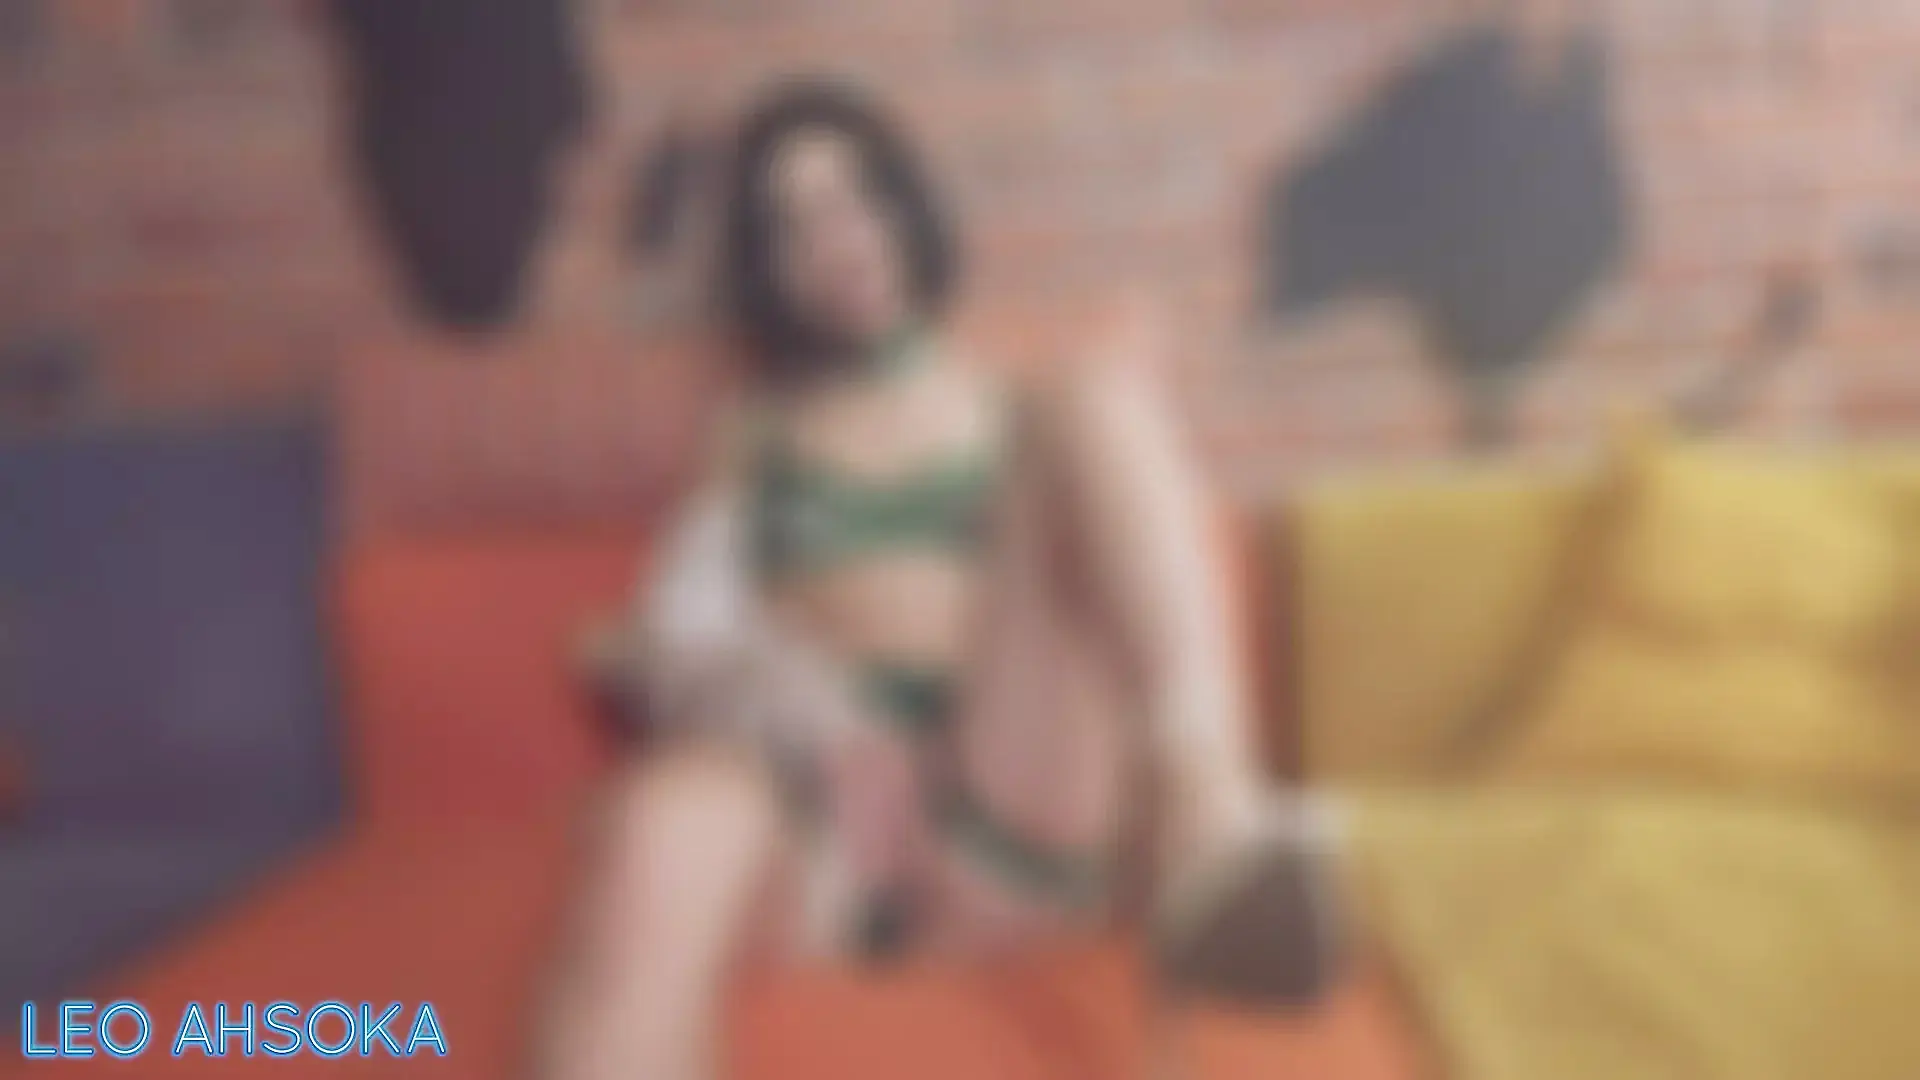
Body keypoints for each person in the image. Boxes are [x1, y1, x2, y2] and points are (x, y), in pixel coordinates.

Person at [535, 77, 1343, 1080]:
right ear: (766, 267)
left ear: (902, 211)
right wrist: (803, 707)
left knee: (1097, 396)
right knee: (661, 817)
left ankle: (1208, 809)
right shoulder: (751, 440)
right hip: (837, 837)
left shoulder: (1010, 411)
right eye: (792, 224)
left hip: (1004, 803)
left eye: (855, 199)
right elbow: (665, 638)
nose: (834, 238)